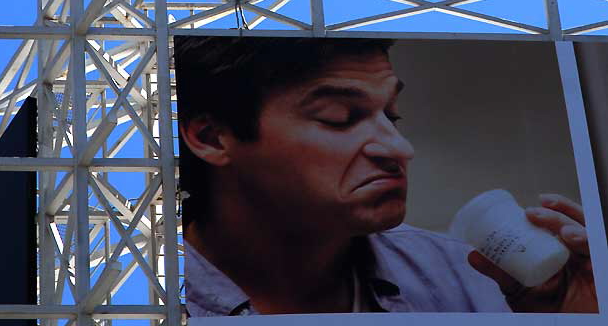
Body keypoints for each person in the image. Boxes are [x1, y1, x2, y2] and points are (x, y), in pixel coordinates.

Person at [174, 36, 597, 316]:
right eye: (339, 118)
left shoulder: (473, 278)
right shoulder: (136, 299)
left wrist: (578, 318)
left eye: (392, 116)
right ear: (211, 137)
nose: (401, 148)